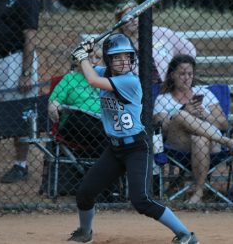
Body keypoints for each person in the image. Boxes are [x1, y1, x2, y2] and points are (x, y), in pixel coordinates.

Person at [69, 33, 199, 244]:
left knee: (141, 201)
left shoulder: (129, 81)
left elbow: (92, 80)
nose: (123, 62)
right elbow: (88, 72)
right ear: (108, 60)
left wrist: (82, 56)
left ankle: (186, 235)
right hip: (114, 149)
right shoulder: (106, 73)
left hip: (136, 148)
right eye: (116, 57)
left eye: (127, 57)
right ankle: (85, 232)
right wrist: (83, 53)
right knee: (85, 193)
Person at [153, 54, 233, 204]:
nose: (186, 78)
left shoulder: (205, 93)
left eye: (190, 74)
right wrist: (185, 112)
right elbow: (162, 126)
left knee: (199, 138)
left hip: (209, 144)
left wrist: (205, 115)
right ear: (172, 75)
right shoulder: (163, 99)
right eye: (182, 74)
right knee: (180, 114)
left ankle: (198, 192)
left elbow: (223, 124)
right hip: (178, 144)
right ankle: (226, 141)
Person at [0, 0, 40, 184]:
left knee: (19, 115)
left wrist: (26, 72)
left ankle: (21, 165)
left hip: (15, 60)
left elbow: (30, 35)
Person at [114, 1, 197, 100]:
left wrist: (176, 69)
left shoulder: (160, 33)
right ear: (120, 21)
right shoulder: (117, 43)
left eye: (136, 14)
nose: (133, 19)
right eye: (128, 16)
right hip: (137, 92)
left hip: (166, 87)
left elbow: (188, 50)